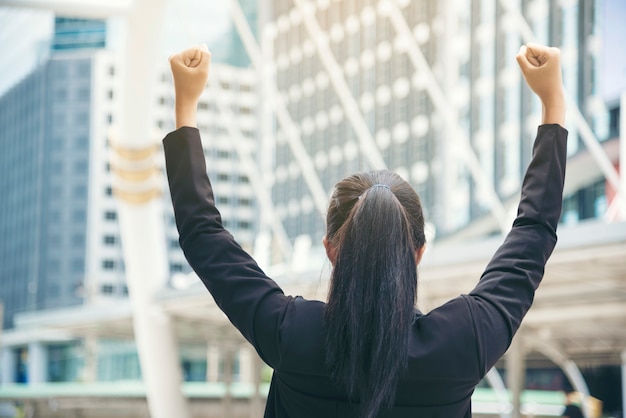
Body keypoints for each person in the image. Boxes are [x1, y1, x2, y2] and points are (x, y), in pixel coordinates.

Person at [163, 43, 567, 418]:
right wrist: (553, 102)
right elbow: (533, 233)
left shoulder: (292, 334)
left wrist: (186, 105)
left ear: (330, 249)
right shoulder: (463, 342)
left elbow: (202, 235)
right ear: (420, 252)